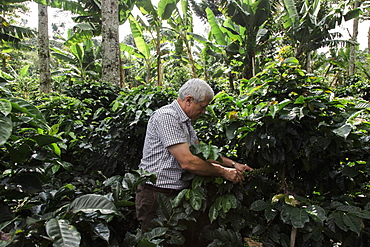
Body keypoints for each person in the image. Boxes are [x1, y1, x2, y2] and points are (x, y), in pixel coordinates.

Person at [135, 78, 253, 233]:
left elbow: (199, 153)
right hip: (156, 194)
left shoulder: (186, 122)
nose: (204, 111)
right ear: (189, 100)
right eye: (202, 106)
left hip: (175, 194)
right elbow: (188, 161)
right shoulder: (167, 117)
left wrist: (232, 164)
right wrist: (223, 172)